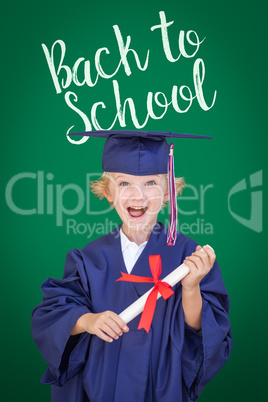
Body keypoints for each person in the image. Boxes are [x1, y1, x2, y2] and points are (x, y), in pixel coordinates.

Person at [31, 130, 232, 402]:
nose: (138, 195)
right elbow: (54, 314)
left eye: (150, 182)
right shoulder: (90, 258)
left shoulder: (188, 256)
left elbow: (204, 333)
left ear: (167, 193)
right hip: (99, 389)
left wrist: (191, 286)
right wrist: (88, 320)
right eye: (124, 184)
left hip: (161, 388)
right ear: (108, 192)